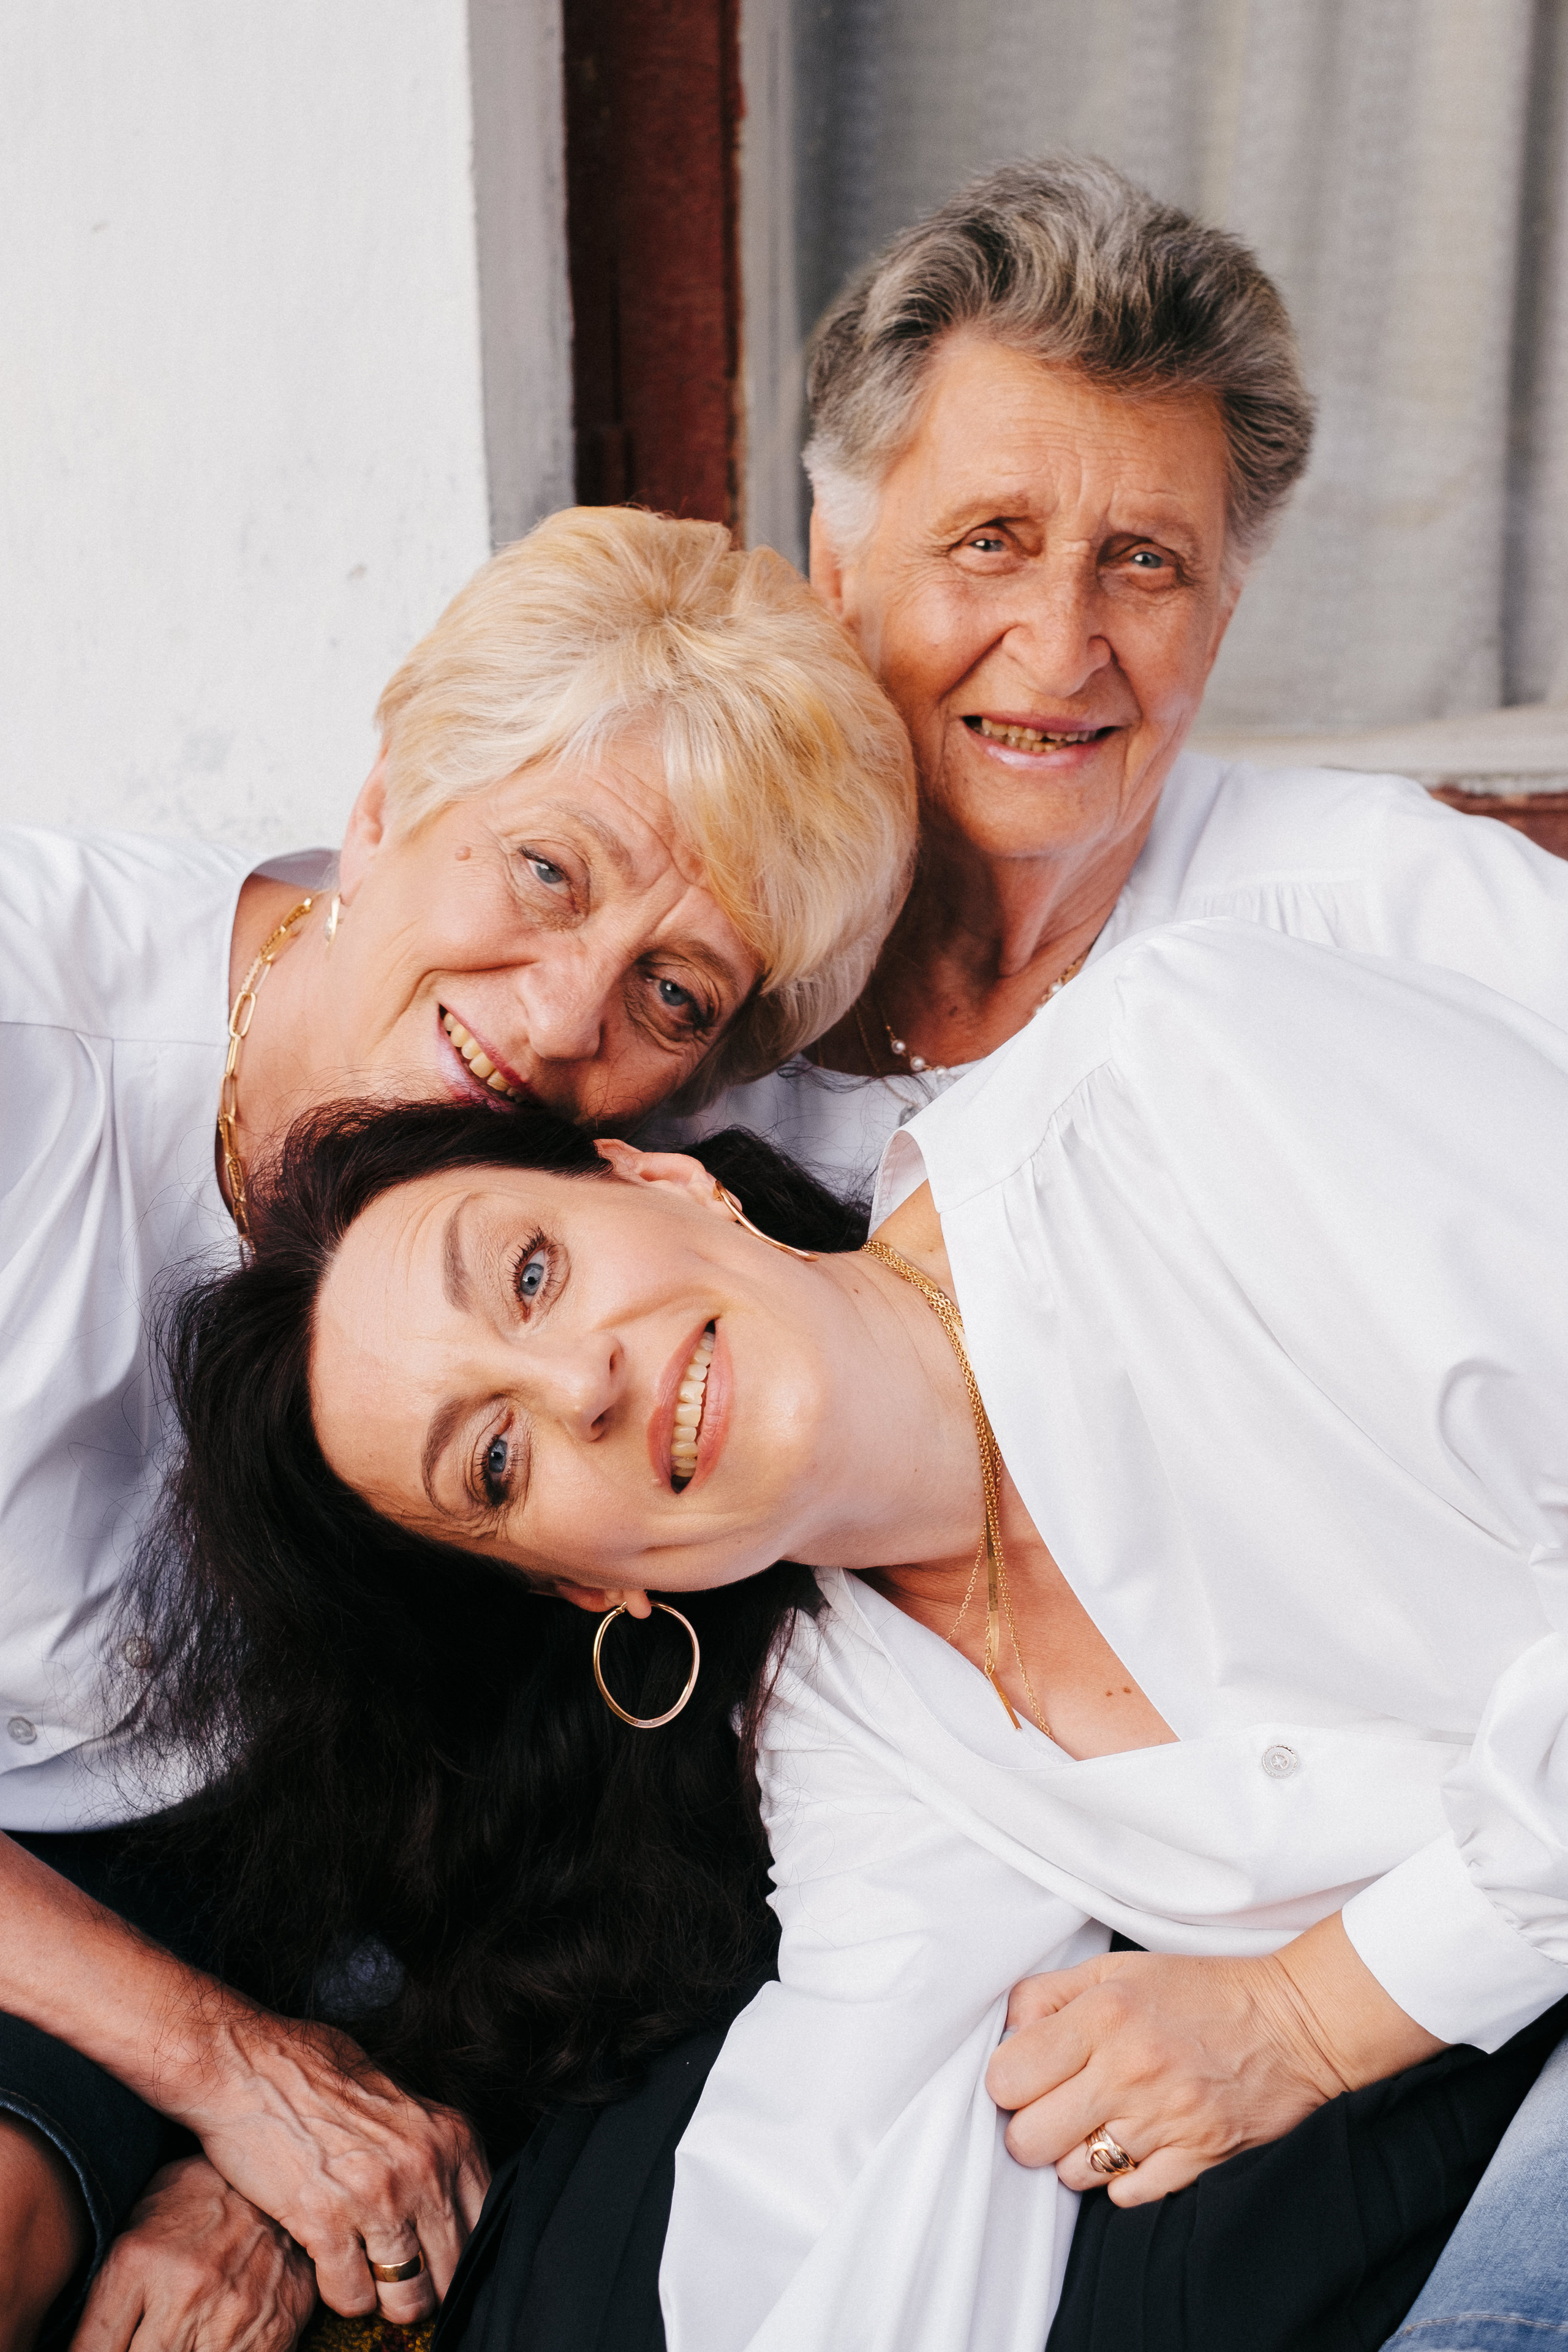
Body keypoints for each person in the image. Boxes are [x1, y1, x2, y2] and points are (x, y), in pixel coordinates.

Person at [157, 914, 1568, 2350]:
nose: (579, 1387)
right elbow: (834, 2156)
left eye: (530, 1274)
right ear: (588, 1586)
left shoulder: (1175, 1086)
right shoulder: (851, 1707)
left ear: (665, 1181)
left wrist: (1303, 2018)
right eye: (497, 1465)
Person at [0, 503, 913, 2348]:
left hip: (258, 1868)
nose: (566, 1014)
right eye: (551, 872)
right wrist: (224, 2072)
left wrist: (314, 2082)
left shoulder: (667, 1223)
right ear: (393, 795)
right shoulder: (33, 1034)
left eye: (677, 991)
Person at [648, 156, 1568, 1191]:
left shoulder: (1381, 913)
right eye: (991, 542)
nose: (1059, 649)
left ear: (1220, 620)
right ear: (839, 569)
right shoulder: (680, 952)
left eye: (1145, 564)